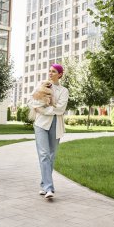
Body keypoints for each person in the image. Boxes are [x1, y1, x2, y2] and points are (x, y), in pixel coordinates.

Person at [31, 64, 69, 199]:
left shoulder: (64, 91)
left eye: (54, 71)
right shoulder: (42, 85)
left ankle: (44, 184)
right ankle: (49, 188)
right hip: (41, 124)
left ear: (60, 74)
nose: (50, 73)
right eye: (50, 71)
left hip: (56, 124)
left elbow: (61, 109)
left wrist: (44, 109)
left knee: (51, 156)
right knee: (44, 154)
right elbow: (34, 103)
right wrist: (46, 108)